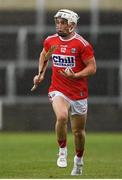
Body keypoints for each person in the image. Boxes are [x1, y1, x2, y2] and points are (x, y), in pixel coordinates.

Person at [33, 9, 96, 176]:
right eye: (57, 22)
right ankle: (62, 150)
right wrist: (40, 74)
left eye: (63, 22)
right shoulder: (50, 40)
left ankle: (79, 160)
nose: (59, 25)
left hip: (79, 93)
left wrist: (75, 75)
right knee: (61, 117)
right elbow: (44, 56)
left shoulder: (82, 45)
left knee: (78, 132)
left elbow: (92, 68)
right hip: (58, 89)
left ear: (72, 25)